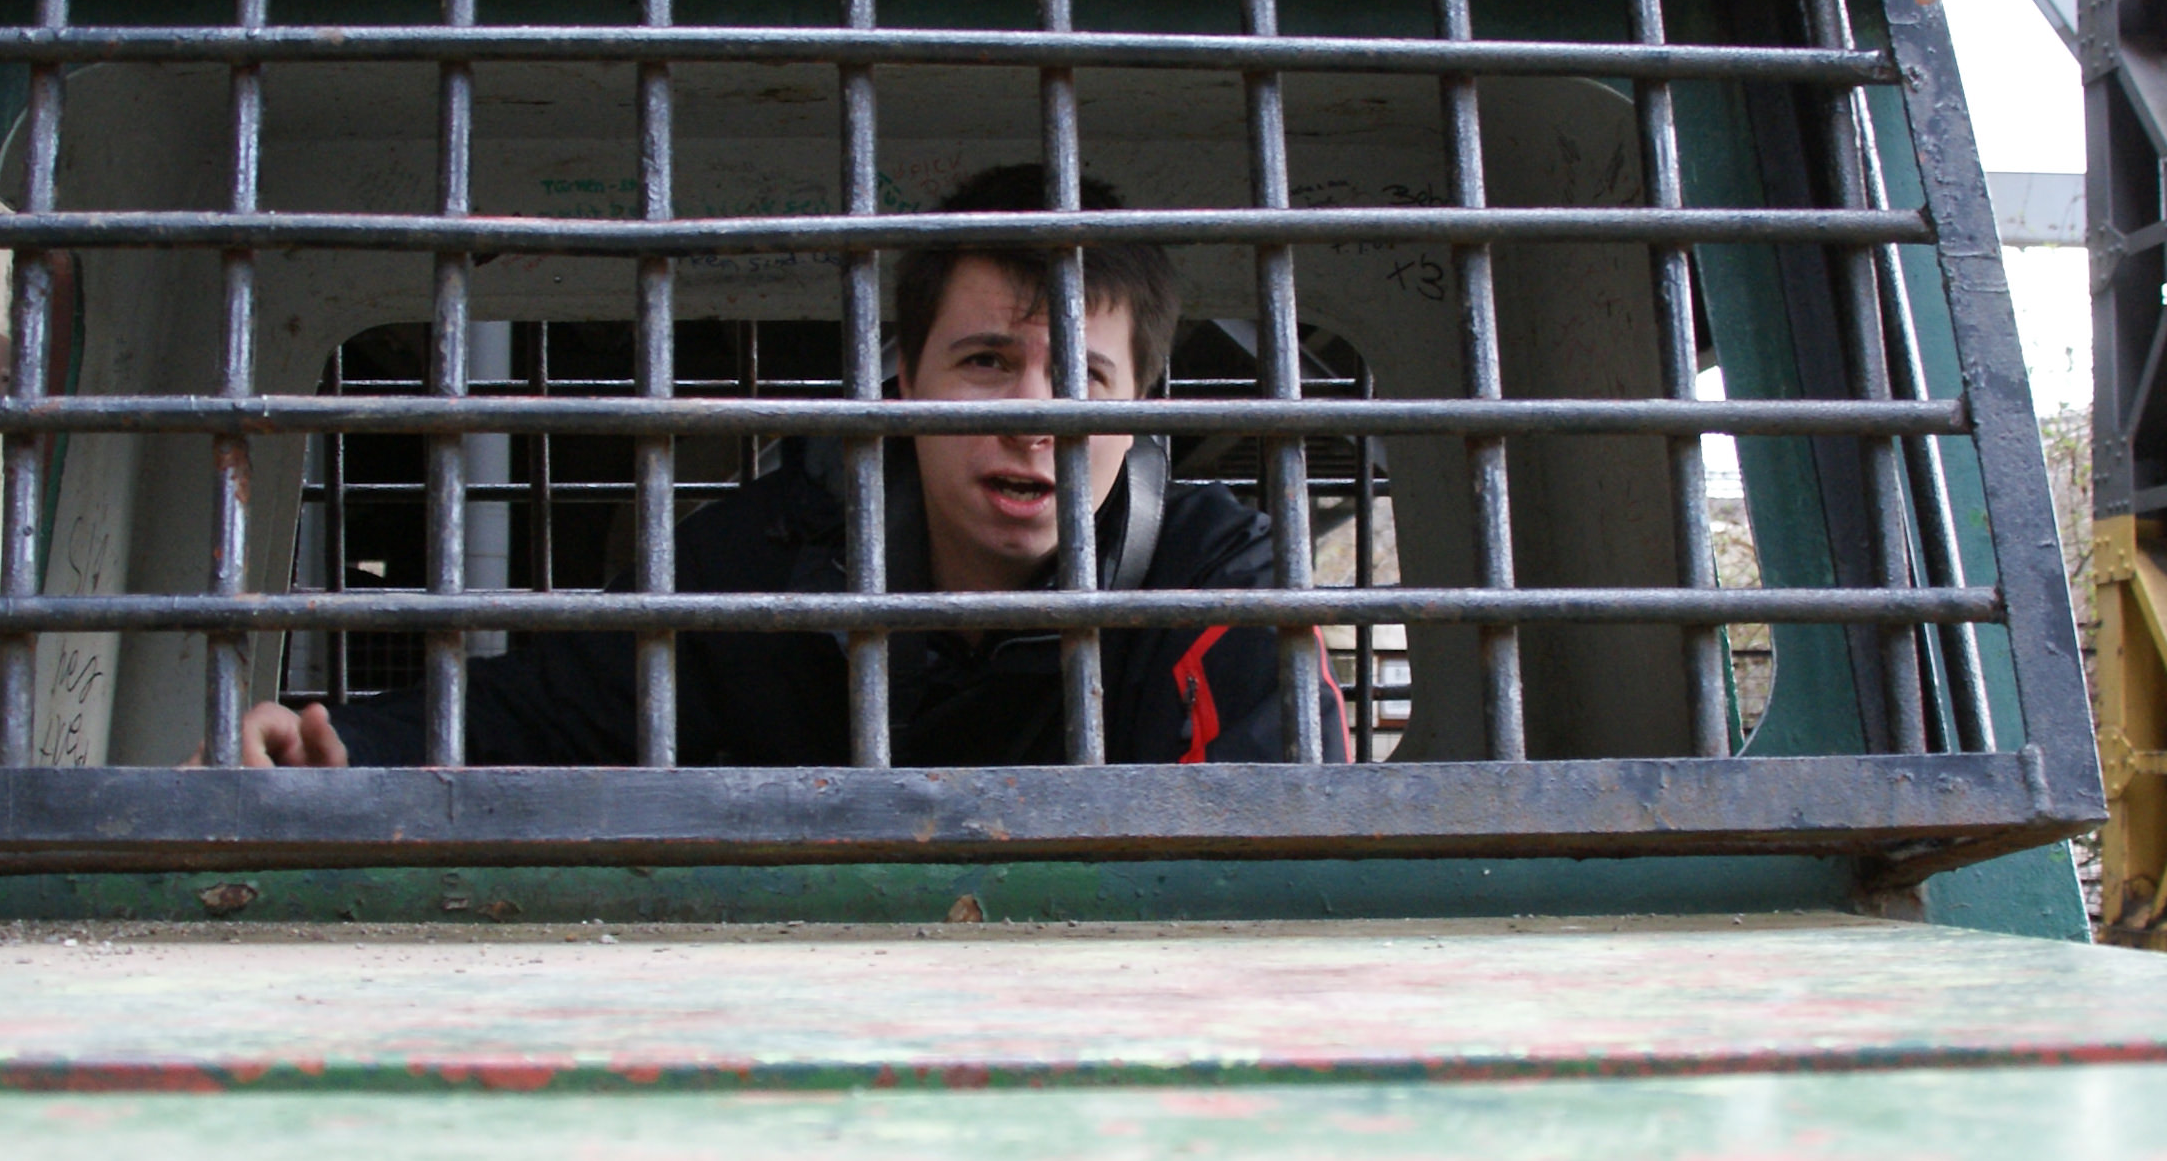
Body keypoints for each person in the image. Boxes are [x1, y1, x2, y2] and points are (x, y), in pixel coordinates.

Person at [238, 164, 1347, 768]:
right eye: (985, 362)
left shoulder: (1220, 582)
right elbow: (544, 712)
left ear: (1143, 410)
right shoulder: (767, 559)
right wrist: (335, 750)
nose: (1034, 418)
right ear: (902, 386)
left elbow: (1278, 841)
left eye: (1083, 380)